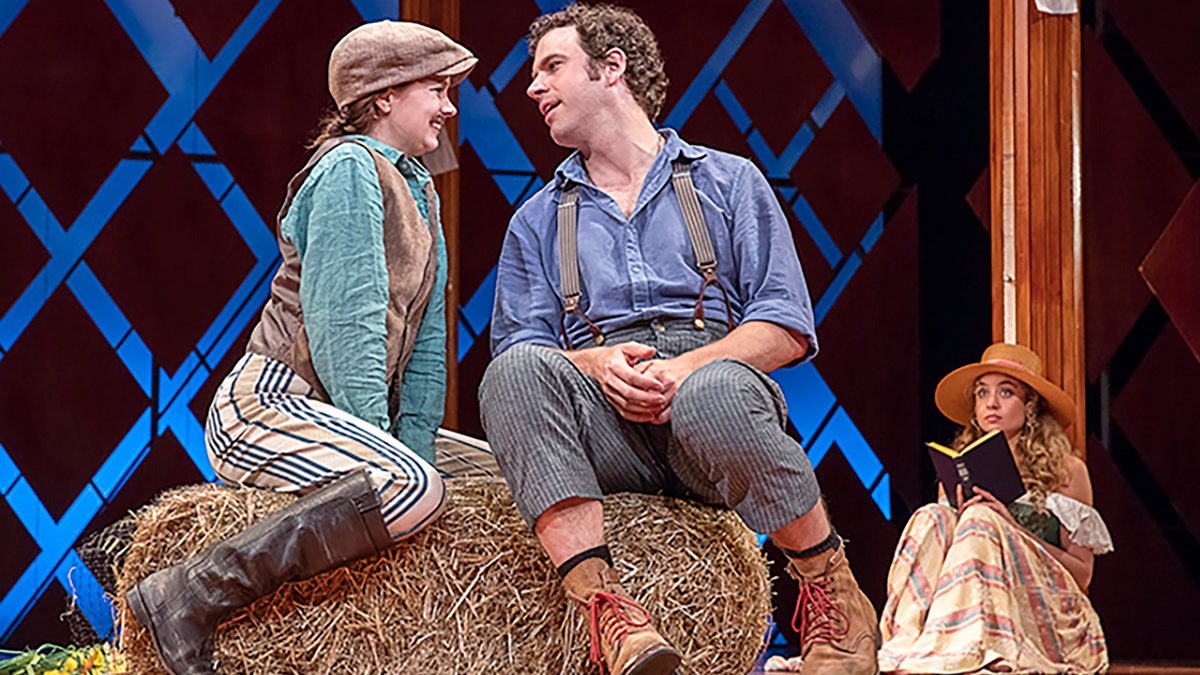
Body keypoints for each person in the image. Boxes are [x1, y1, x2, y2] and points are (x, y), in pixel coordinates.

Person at [478, 4, 878, 674]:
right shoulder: (537, 219)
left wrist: (684, 369)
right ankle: (609, 612)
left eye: (552, 66)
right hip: (606, 436)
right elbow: (523, 351)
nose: (531, 88)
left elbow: (786, 325)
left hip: (712, 425)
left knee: (715, 391)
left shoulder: (728, 181)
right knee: (514, 373)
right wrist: (597, 362)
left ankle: (829, 585)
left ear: (612, 69)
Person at [125, 21, 476, 675]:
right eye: (437, 89)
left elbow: (426, 351)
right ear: (384, 97)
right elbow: (350, 329)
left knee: (480, 482)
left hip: (332, 416)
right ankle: (188, 592)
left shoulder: (422, 190)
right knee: (406, 486)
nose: (450, 107)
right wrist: (387, 459)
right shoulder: (347, 170)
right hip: (268, 406)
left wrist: (416, 451)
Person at [877, 343, 1113, 674]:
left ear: (1030, 404)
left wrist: (1007, 526)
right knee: (932, 516)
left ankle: (980, 647)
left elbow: (1082, 573)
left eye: (1006, 392)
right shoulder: (963, 470)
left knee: (981, 517)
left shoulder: (1066, 470)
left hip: (1046, 608)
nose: (991, 403)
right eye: (982, 393)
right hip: (970, 602)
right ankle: (910, 641)